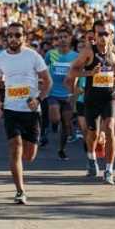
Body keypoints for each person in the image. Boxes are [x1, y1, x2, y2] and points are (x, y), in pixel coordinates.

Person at [0, 22, 52, 204]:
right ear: (5, 38)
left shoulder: (33, 56)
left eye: (17, 35)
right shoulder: (0, 59)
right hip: (11, 110)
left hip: (31, 111)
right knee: (15, 149)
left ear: (24, 37)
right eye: (10, 35)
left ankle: (21, 175)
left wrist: (38, 99)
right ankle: (20, 191)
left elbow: (47, 81)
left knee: (29, 156)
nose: (14, 39)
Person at [68, 21, 115, 185]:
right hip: (92, 97)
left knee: (110, 128)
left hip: (109, 95)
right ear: (94, 36)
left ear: (111, 35)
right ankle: (91, 158)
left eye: (106, 34)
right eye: (100, 34)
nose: (103, 37)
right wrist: (90, 72)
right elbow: (73, 70)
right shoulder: (88, 52)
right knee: (94, 133)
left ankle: (109, 170)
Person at [43, 27, 78, 161]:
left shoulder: (75, 56)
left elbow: (78, 74)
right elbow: (43, 70)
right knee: (55, 117)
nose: (62, 39)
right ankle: (53, 124)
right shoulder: (50, 54)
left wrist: (75, 91)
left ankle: (62, 149)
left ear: (70, 39)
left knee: (66, 124)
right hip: (53, 92)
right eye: (60, 37)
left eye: (65, 37)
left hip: (68, 94)